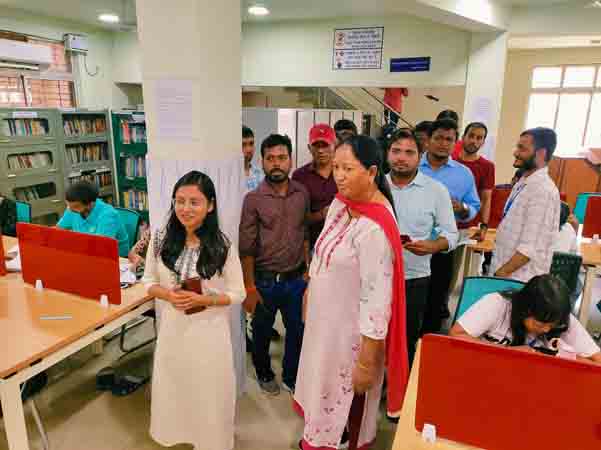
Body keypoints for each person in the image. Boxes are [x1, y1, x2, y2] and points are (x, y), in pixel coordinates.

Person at [295, 135, 409, 449]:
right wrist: (310, 291)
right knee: (321, 395)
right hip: (325, 329)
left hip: (351, 340)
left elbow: (377, 301)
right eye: (336, 168)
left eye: (348, 168)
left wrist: (366, 363)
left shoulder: (375, 228)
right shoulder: (342, 203)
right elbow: (322, 257)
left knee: (345, 411)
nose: (339, 176)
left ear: (372, 172)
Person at [142, 171, 246, 450]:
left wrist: (205, 301)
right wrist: (169, 295)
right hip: (173, 334)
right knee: (176, 390)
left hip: (210, 336)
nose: (185, 209)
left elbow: (239, 293)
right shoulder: (160, 239)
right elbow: (148, 282)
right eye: (179, 201)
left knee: (209, 394)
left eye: (194, 202)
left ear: (210, 205)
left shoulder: (222, 245)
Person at [239, 134, 310, 395]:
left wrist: (307, 271)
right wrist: (249, 287)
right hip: (264, 281)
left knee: (297, 331)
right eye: (270, 158)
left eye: (282, 157)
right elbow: (246, 248)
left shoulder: (302, 194)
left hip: (295, 280)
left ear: (291, 159)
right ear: (263, 161)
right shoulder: (253, 200)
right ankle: (264, 372)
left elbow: (305, 233)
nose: (276, 163)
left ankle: (291, 375)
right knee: (261, 331)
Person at [386, 129, 458, 367]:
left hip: (414, 279)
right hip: (375, 278)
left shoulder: (436, 191)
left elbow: (451, 234)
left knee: (405, 339)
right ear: (387, 154)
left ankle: (398, 394)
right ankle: (371, 387)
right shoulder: (373, 186)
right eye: (396, 151)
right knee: (372, 337)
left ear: (420, 156)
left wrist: (433, 246)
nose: (401, 158)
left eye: (409, 152)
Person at [450, 274, 601, 365]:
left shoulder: (561, 319)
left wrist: (560, 357)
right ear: (524, 309)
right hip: (486, 371)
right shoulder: (497, 305)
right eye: (539, 323)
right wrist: (508, 352)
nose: (547, 329)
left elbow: (597, 363)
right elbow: (456, 335)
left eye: (552, 325)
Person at [419, 119, 480, 333]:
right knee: (407, 298)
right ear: (428, 140)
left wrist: (462, 208)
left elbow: (473, 206)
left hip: (442, 247)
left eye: (449, 139)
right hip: (411, 245)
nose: (443, 144)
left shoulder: (463, 174)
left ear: (456, 142)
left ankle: (426, 348)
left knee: (436, 300)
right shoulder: (412, 166)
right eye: (438, 138)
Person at [492, 127, 560, 282]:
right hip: (506, 273)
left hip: (519, 280)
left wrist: (498, 276)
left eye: (522, 149)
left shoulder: (543, 191)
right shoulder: (523, 182)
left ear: (541, 153)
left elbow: (528, 249)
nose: (515, 152)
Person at [292, 123, 338, 249]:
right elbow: (295, 217)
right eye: (316, 145)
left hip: (341, 245)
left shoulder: (344, 172)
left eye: (325, 145)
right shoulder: (299, 176)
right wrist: (322, 214)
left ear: (335, 146)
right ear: (309, 147)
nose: (321, 150)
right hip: (311, 245)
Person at [57, 181, 129, 256]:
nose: (70, 209)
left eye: (75, 206)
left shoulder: (109, 215)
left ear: (90, 204)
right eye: (68, 205)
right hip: (87, 253)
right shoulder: (72, 209)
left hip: (116, 258)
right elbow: (58, 229)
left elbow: (100, 248)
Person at [454, 122, 495, 241]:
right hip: (441, 224)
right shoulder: (449, 160)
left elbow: (486, 199)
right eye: (471, 136)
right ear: (463, 137)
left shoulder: (487, 166)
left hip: (468, 228)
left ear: (483, 142)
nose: (474, 141)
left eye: (479, 138)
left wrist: (484, 227)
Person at [243, 125, 264, 192]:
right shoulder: (230, 176)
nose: (249, 149)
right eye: (243, 145)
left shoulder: (260, 175)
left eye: (251, 144)